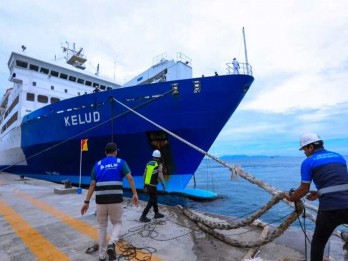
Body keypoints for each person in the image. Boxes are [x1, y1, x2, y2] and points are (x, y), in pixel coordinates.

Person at [284, 133, 348, 261]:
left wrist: (291, 198)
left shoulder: (308, 162)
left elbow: (303, 189)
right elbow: (339, 183)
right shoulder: (339, 157)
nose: (304, 153)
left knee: (319, 241)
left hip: (330, 210)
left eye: (304, 149)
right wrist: (319, 193)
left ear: (311, 147)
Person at [81, 142, 139, 261]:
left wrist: (86, 202)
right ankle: (112, 244)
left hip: (101, 201)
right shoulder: (121, 162)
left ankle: (102, 256)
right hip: (115, 200)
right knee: (117, 223)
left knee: (102, 226)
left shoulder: (97, 164)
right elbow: (130, 178)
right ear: (115, 152)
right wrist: (135, 194)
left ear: (105, 153)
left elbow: (92, 184)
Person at [140, 149, 166, 222]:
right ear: (159, 157)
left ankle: (156, 213)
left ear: (153, 156)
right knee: (152, 200)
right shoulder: (159, 164)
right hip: (153, 186)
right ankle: (143, 216)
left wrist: (144, 184)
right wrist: (163, 184)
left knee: (154, 198)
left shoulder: (148, 163)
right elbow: (160, 175)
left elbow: (144, 175)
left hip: (147, 185)